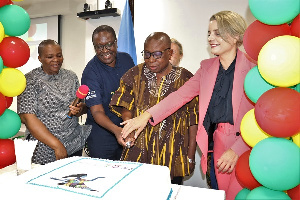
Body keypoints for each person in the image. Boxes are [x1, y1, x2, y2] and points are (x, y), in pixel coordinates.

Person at [120, 11, 256, 200]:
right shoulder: (207, 68)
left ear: (235, 36)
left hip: (248, 144)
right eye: (209, 33)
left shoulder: (254, 68)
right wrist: (145, 116)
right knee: (223, 196)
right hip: (216, 144)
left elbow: (260, 116)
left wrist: (237, 149)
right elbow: (179, 96)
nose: (210, 38)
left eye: (217, 33)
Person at [109, 32, 198, 185]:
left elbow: (193, 118)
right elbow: (125, 103)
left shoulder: (186, 78)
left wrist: (190, 155)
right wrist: (129, 127)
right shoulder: (134, 74)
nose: (151, 60)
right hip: (139, 150)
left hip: (173, 153)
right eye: (147, 54)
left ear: (170, 53)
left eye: (157, 54)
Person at [17, 39, 91, 165]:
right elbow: (28, 118)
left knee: (73, 181)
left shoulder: (71, 76)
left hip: (74, 142)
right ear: (40, 58)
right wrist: (57, 145)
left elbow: (82, 106)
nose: (56, 60)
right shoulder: (30, 80)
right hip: (44, 147)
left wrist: (80, 109)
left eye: (59, 55)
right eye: (50, 57)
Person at [81, 25, 135, 160]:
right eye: (99, 47)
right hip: (102, 135)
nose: (104, 50)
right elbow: (97, 111)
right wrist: (117, 131)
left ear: (116, 43)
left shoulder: (127, 60)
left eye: (109, 45)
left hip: (127, 127)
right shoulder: (90, 72)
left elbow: (133, 94)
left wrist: (128, 127)